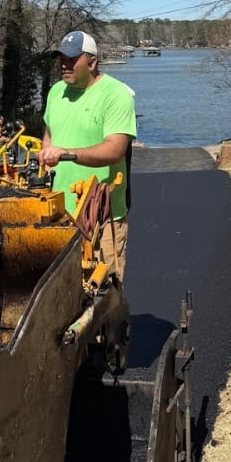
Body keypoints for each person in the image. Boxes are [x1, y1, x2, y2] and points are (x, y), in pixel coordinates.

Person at [39, 30, 137, 281]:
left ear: (92, 62)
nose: (64, 64)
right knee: (62, 296)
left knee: (104, 296)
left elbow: (116, 149)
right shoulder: (56, 92)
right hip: (60, 215)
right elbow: (50, 132)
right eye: (61, 58)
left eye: (72, 59)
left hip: (102, 219)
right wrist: (46, 152)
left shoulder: (115, 94)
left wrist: (67, 154)